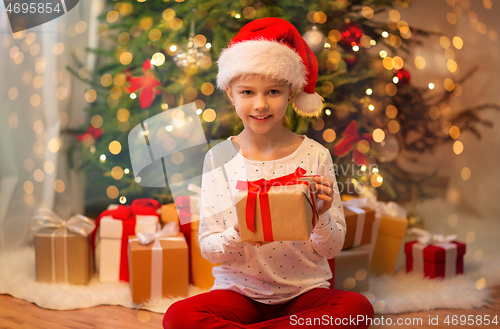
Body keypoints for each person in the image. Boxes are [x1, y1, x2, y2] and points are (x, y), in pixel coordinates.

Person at [163, 17, 374, 329]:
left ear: (291, 94)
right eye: (247, 92)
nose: (260, 105)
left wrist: (323, 215)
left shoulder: (315, 155)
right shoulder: (218, 158)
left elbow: (331, 248)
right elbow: (209, 249)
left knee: (357, 309)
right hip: (238, 294)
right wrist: (243, 228)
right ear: (231, 95)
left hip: (305, 293)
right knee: (178, 317)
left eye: (273, 91)